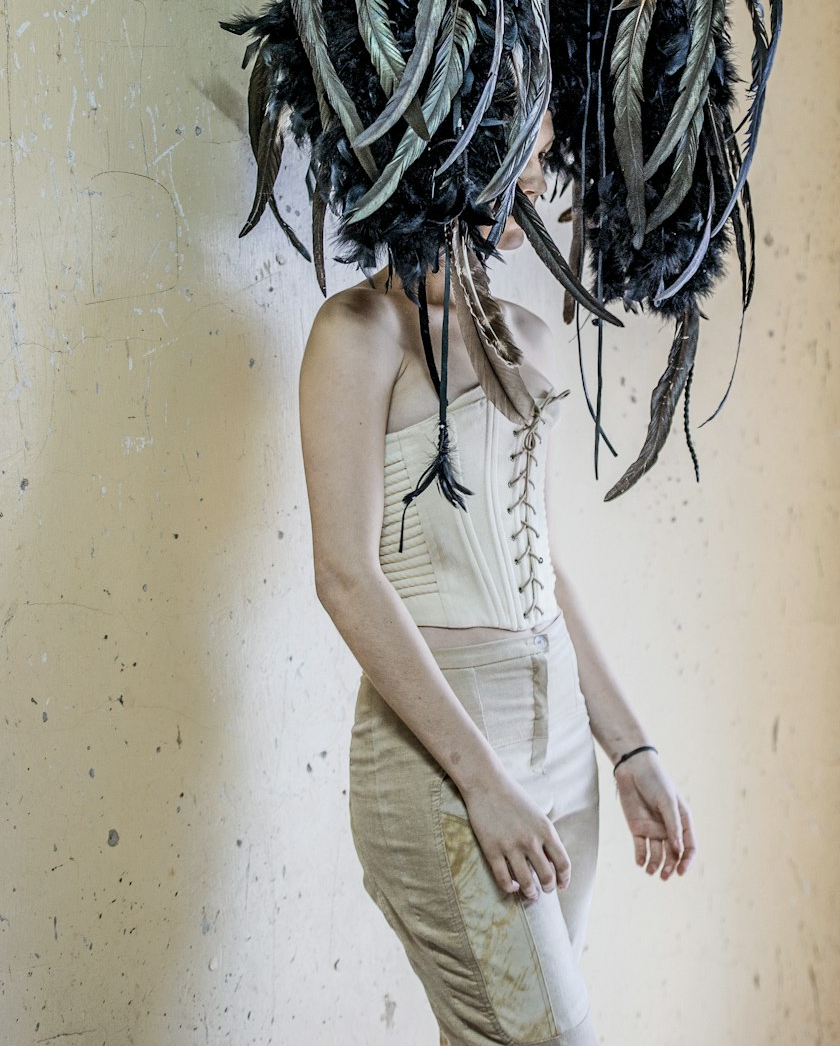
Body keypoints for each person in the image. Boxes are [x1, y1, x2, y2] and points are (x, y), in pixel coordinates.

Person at [299, 108, 697, 1046]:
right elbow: (346, 577)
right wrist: (481, 780)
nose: (543, 167)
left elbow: (543, 566)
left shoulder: (528, 331)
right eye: (525, 140)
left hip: (560, 743)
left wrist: (628, 746)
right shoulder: (359, 331)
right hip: (441, 749)